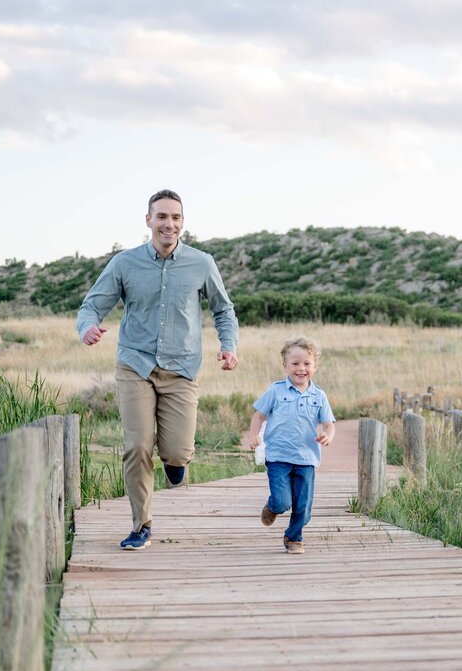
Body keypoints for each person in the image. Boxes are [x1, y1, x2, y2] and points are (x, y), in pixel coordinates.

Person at [77, 189, 239, 551]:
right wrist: (87, 327)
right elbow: (93, 305)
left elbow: (223, 310)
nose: (169, 223)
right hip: (135, 364)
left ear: (183, 222)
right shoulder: (124, 263)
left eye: (176, 217)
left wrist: (229, 346)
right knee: (137, 446)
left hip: (181, 368)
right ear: (148, 220)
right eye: (162, 216)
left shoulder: (201, 263)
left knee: (178, 453)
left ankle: (175, 463)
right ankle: (141, 525)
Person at [240, 337, 336, 554]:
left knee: (303, 508)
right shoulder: (276, 391)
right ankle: (273, 507)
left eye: (307, 364)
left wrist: (328, 435)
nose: (301, 368)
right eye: (295, 363)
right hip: (278, 457)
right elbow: (258, 416)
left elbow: (329, 424)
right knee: (283, 501)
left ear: (315, 366)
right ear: (285, 366)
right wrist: (254, 435)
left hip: (306, 458)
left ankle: (294, 538)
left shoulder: (319, 396)